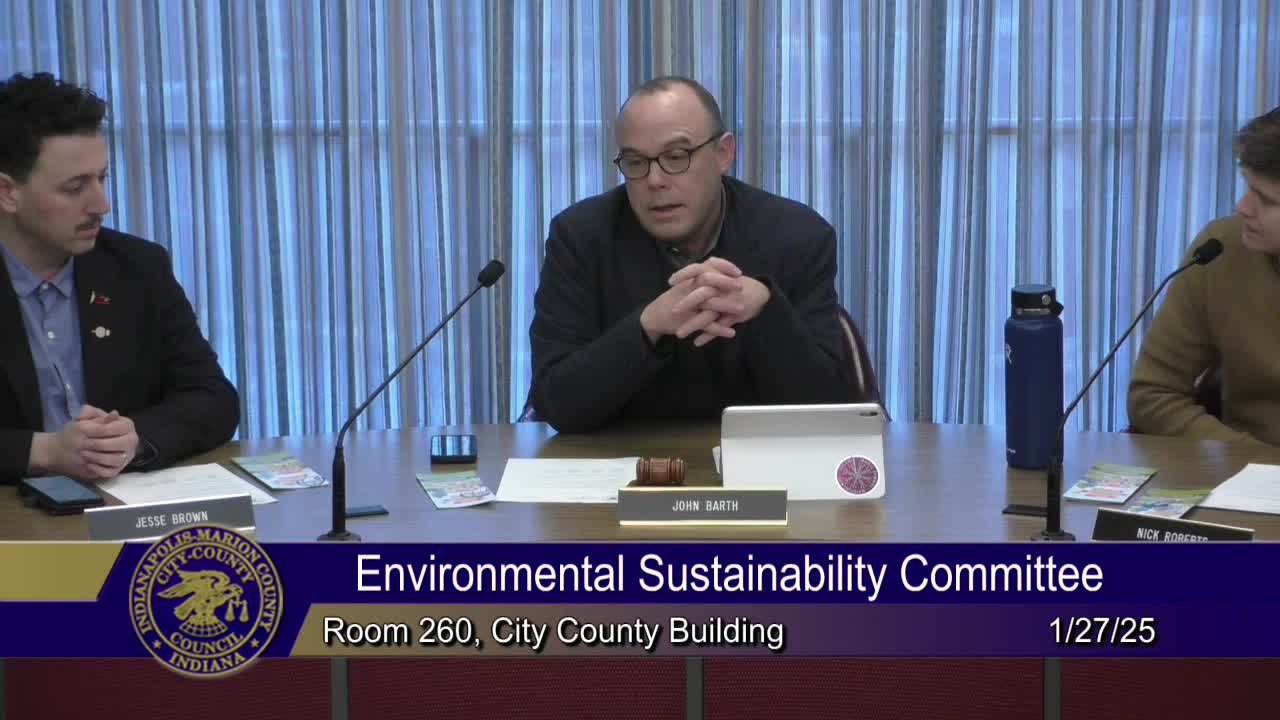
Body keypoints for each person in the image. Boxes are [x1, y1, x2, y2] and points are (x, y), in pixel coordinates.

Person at [528, 76, 860, 432]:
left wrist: (766, 310)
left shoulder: (797, 237)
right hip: (619, 457)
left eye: (676, 157)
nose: (655, 180)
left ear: (723, 153)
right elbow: (556, 403)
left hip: (761, 457)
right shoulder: (581, 237)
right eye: (636, 162)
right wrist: (648, 325)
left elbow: (830, 412)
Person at [0, 72, 240, 483]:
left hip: (123, 501)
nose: (102, 205)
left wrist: (134, 438)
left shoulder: (138, 267)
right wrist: (44, 451)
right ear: (8, 193)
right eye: (75, 187)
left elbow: (213, 398)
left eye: (102, 178)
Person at [1128, 106, 1280, 446]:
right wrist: (1254, 460)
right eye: (1247, 187)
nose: (1242, 207)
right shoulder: (1220, 250)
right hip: (1245, 472)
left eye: (1265, 199)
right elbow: (1152, 395)